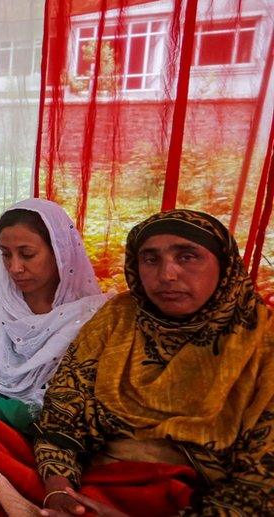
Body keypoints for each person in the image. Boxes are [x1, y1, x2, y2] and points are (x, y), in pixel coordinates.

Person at [34, 210, 274, 516]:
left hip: (206, 500)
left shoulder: (262, 342)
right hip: (92, 485)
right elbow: (62, 418)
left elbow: (262, 484)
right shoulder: (116, 320)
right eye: (151, 259)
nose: (167, 275)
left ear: (224, 264)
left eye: (187, 257)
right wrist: (58, 491)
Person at [0, 199, 109, 434]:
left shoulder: (91, 318)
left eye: (27, 254)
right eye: (6, 255)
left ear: (60, 252)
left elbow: (67, 407)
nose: (15, 267)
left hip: (36, 438)